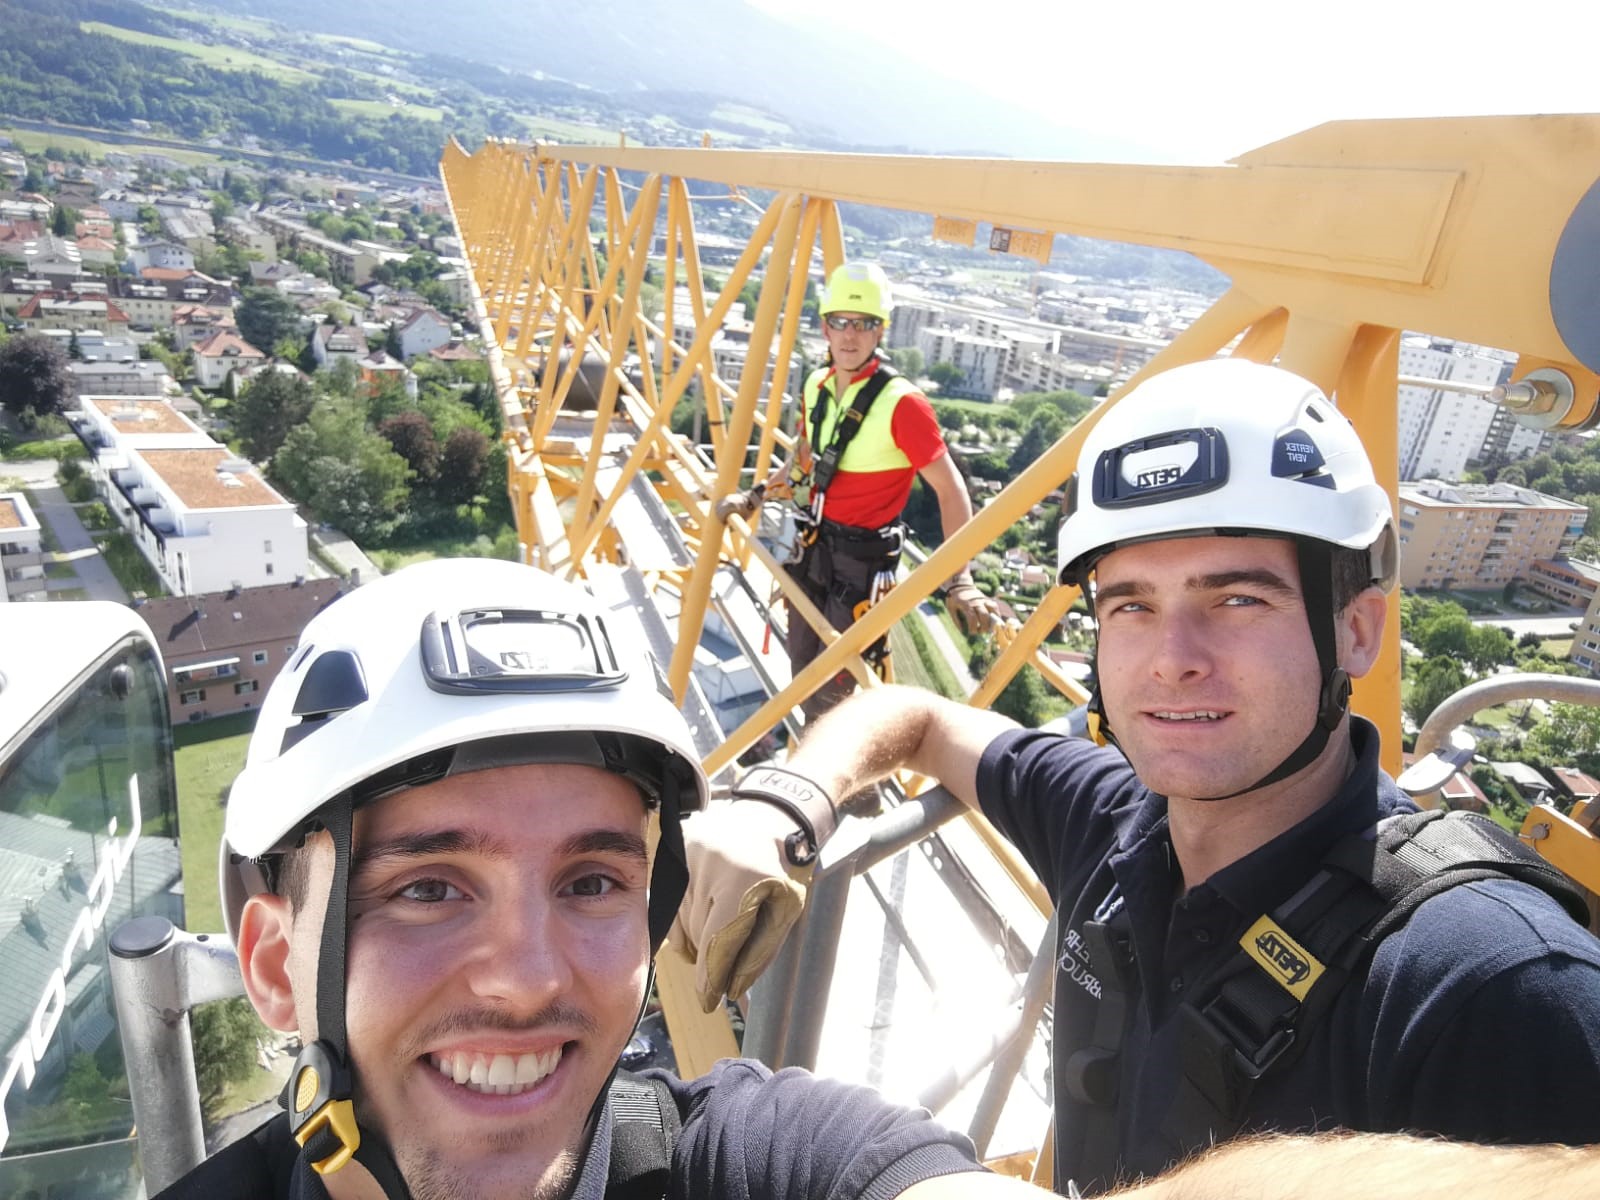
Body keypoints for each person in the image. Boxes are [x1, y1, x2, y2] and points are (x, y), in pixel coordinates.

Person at [674, 359, 1600, 1195]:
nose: (1173, 660)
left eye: (1237, 599)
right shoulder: (1116, 822)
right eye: (1132, 605)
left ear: (1356, 630)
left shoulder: (1489, 985)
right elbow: (918, 718)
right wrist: (785, 800)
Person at [155, 558, 1030, 1200]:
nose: (530, 978)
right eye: (428, 889)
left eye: (591, 882)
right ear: (275, 968)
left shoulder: (752, 1162)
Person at [719, 261, 994, 720]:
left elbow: (951, 491)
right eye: (840, 322)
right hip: (816, 551)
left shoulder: (902, 404)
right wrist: (757, 495)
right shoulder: (817, 385)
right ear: (825, 327)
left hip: (862, 565)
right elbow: (805, 456)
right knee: (803, 667)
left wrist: (959, 579)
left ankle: (847, 788)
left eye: (863, 324)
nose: (850, 335)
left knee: (835, 689)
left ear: (880, 331)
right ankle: (820, 769)